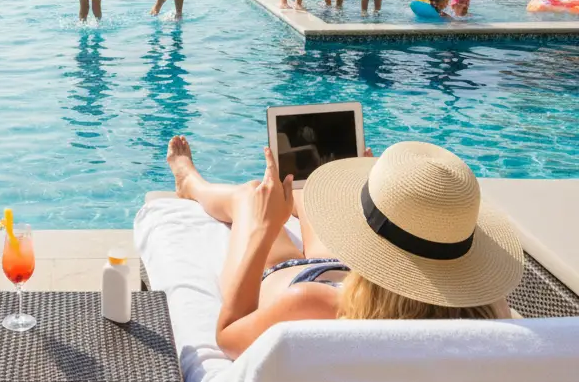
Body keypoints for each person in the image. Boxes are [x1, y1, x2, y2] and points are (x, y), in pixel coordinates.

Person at [165, 135, 522, 359]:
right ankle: (299, 197)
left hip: (300, 283)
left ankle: (191, 183)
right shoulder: (489, 312)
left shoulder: (310, 304)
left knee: (250, 196)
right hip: (373, 289)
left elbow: (228, 337)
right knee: (305, 197)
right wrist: (397, 199)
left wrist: (264, 229)